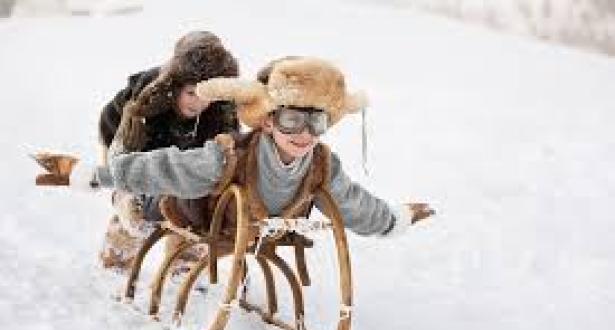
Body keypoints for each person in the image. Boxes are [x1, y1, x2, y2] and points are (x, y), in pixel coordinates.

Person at [42, 56, 434, 240]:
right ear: (267, 120)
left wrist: (393, 219)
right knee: (157, 198)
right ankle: (125, 215)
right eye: (292, 120)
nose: (304, 134)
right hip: (200, 213)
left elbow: (352, 202)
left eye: (315, 122)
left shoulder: (320, 165)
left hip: (262, 228)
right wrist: (97, 175)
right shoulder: (231, 154)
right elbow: (168, 167)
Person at [95, 30, 239, 270]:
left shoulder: (222, 107)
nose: (198, 103)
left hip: (186, 156)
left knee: (192, 205)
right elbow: (124, 159)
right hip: (128, 143)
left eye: (206, 96)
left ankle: (184, 263)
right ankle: (117, 259)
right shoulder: (149, 99)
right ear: (176, 84)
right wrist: (127, 191)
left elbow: (230, 149)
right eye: (191, 93)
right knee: (136, 208)